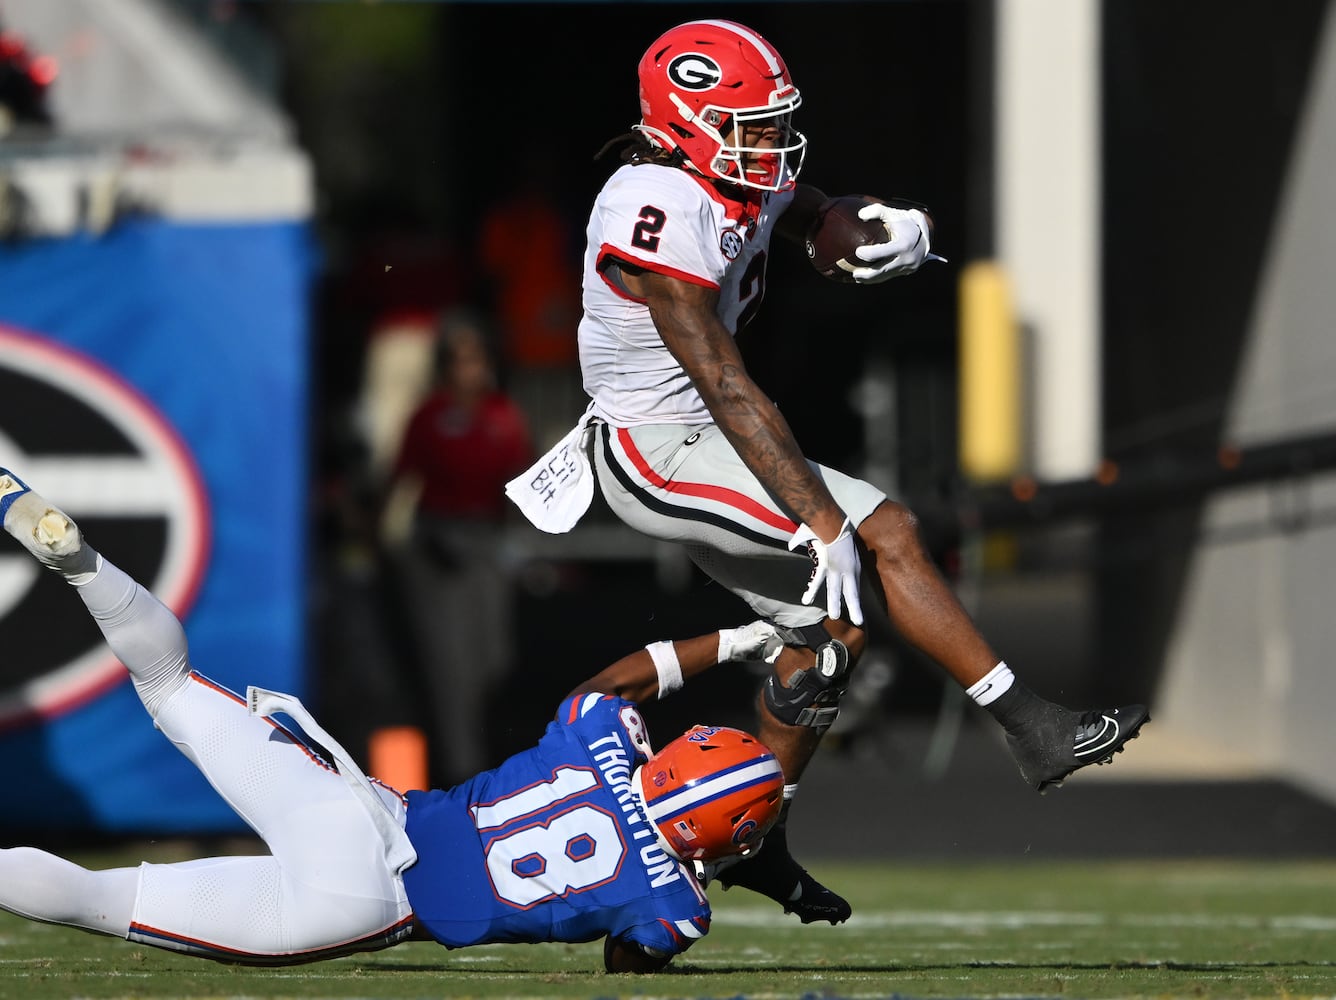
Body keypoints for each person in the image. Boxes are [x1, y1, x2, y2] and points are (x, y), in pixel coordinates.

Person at [507, 18, 1148, 924]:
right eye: (750, 128)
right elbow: (725, 381)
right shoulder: (652, 200)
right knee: (884, 531)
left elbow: (806, 209)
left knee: (830, 643)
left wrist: (886, 229)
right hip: (656, 447)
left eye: (773, 125)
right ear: (683, 124)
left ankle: (757, 840)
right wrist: (820, 521)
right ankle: (1032, 725)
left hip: (710, 435)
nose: (769, 145)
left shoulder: (728, 172)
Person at [0, 468, 787, 973]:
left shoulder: (602, 739)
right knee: (98, 900)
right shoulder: (676, 909)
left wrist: (740, 639)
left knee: (167, 680)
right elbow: (628, 958)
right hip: (366, 901)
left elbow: (615, 682)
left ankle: (81, 566)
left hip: (359, 807)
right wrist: (693, 867)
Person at [383, 309, 532, 784]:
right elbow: (399, 481)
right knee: (451, 667)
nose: (471, 369)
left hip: (488, 542)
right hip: (438, 543)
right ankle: (463, 773)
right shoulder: (427, 416)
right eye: (460, 360)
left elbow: (522, 482)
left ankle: (487, 759)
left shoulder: (502, 415)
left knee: (495, 657)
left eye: (478, 358)